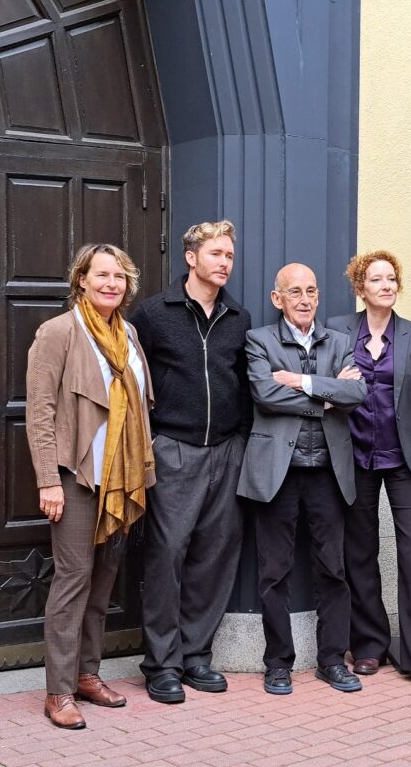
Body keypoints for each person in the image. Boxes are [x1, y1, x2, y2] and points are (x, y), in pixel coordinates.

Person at [26, 243, 156, 729]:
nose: (111, 283)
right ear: (80, 279)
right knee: (72, 581)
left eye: (119, 276)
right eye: (101, 274)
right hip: (77, 479)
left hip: (120, 481)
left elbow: (141, 407)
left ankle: (87, 674)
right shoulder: (59, 332)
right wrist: (48, 481)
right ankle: (58, 691)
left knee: (103, 583)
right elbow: (39, 412)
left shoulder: (129, 333)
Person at [129, 220, 252, 704]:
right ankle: (161, 663)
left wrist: (239, 441)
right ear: (191, 256)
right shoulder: (154, 314)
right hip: (173, 450)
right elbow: (131, 383)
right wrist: (151, 443)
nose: (224, 263)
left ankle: (197, 655)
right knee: (167, 555)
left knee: (214, 555)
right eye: (217, 254)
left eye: (230, 256)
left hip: (226, 450)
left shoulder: (237, 318)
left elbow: (244, 385)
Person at [238, 263, 367, 695]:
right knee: (274, 572)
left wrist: (301, 381)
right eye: (295, 292)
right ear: (278, 299)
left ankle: (332, 660)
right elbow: (265, 395)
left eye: (311, 290)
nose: (305, 299)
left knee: (334, 569)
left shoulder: (341, 342)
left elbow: (356, 393)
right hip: (278, 474)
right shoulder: (259, 341)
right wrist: (324, 396)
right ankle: (277, 663)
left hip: (328, 474)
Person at [325, 249, 411, 692]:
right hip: (354, 456)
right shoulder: (338, 330)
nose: (387, 285)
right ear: (361, 288)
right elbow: (323, 382)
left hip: (409, 460)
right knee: (359, 552)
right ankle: (369, 645)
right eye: (376, 279)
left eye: (392, 278)